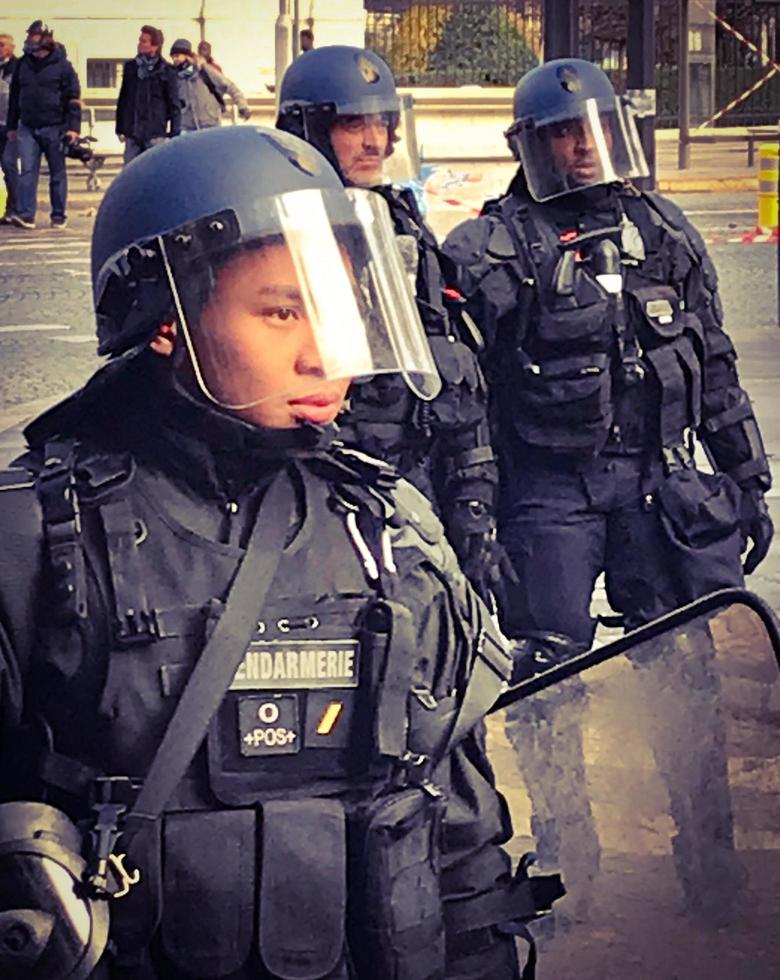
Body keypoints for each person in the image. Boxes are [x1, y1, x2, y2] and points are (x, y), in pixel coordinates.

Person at [0, 125, 562, 979]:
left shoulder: (390, 524)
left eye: (338, 308)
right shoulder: (33, 536)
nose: (323, 353)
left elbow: (461, 840)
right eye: (280, 309)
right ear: (165, 319)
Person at [442, 58, 774, 927]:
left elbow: (714, 361)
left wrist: (746, 473)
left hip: (659, 484)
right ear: (531, 144)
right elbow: (463, 397)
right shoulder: (488, 252)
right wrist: (473, 517)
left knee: (687, 669)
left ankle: (711, 874)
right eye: (563, 135)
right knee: (548, 679)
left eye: (594, 132)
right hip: (549, 494)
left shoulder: (660, 229)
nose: (583, 151)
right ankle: (567, 873)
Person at [276, 46, 511, 603]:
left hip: (415, 475)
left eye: (383, 122)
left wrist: (472, 500)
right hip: (321, 480)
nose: (375, 141)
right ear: (309, 128)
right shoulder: (277, 228)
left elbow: (447, 360)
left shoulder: (398, 220)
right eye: (353, 123)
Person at [6, 20, 80, 229]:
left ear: (45, 40)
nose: (29, 40)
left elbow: (73, 98)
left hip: (55, 127)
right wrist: (13, 125)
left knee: (57, 173)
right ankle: (26, 214)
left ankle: (58, 215)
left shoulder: (63, 66)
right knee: (28, 171)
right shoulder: (23, 64)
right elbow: (15, 97)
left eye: (33, 36)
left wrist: (73, 128)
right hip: (27, 126)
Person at [115, 25, 180, 165]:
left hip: (155, 134)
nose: (140, 44)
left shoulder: (166, 71)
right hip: (133, 132)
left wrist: (174, 133)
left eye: (144, 41)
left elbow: (174, 103)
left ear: (155, 46)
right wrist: (120, 127)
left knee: (155, 173)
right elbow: (123, 98)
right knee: (130, 174)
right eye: (140, 40)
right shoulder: (131, 68)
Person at [170, 37, 250, 131]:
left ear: (187, 56)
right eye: (173, 57)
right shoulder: (175, 77)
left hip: (210, 125)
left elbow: (230, 86)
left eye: (177, 56)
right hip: (187, 128)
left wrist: (243, 106)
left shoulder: (205, 71)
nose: (175, 59)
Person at [0, 33, 19, 222]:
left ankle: (15, 208)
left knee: (9, 165)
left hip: (11, 124)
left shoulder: (19, 67)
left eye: (1, 45)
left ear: (11, 47)